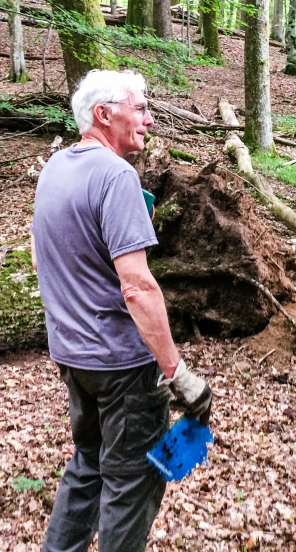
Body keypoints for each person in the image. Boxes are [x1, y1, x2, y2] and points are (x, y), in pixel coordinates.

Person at [31, 70, 212, 552]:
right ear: (104, 114)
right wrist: (177, 372)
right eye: (141, 108)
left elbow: (42, 257)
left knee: (88, 465)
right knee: (133, 484)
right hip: (124, 367)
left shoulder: (55, 168)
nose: (149, 120)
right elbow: (137, 286)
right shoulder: (116, 177)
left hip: (73, 359)